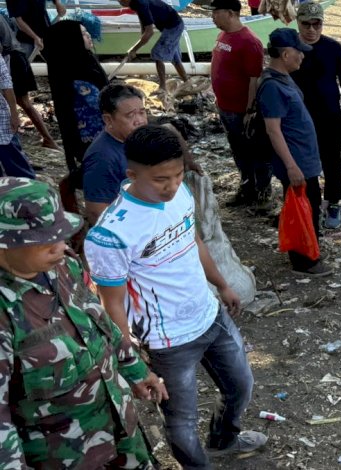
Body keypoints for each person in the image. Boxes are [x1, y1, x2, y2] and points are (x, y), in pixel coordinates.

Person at [84, 125, 267, 468]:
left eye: (178, 174)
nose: (171, 186)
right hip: (167, 340)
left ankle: (224, 439)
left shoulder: (180, 193)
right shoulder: (111, 235)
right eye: (160, 179)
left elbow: (193, 241)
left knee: (241, 385)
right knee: (182, 421)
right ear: (132, 175)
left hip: (209, 314)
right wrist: (131, 361)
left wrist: (222, 284)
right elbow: (112, 304)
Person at [0, 177, 167, 468]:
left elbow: (98, 321)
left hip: (120, 432)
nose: (60, 246)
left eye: (60, 234)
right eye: (44, 240)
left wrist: (134, 369)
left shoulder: (64, 265)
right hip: (63, 457)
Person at [258, 28, 332, 276]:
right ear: (285, 54)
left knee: (309, 206)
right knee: (302, 210)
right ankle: (304, 261)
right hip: (296, 162)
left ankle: (310, 251)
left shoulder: (283, 77)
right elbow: (273, 129)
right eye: (299, 52)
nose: (302, 56)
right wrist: (291, 166)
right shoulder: (271, 86)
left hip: (304, 159)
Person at [291, 1, 341, 229]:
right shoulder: (290, 48)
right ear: (298, 23)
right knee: (303, 164)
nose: (312, 30)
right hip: (299, 120)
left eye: (317, 24)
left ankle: (333, 203)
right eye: (306, 24)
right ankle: (308, 207)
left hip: (330, 117)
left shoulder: (333, 48)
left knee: (332, 162)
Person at [211, 0, 269, 207]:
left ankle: (261, 192)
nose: (212, 17)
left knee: (253, 152)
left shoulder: (249, 41)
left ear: (230, 13)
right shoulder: (222, 35)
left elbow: (254, 78)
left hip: (240, 110)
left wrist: (250, 110)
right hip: (225, 106)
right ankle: (246, 187)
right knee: (238, 151)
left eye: (216, 12)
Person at [45, 19, 107, 174]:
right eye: (84, 34)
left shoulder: (87, 61)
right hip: (91, 140)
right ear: (71, 40)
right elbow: (100, 102)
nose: (89, 36)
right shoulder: (71, 75)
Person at [82, 84, 149, 224]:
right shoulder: (102, 158)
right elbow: (97, 213)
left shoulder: (137, 137)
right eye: (130, 115)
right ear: (108, 120)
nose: (140, 121)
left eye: (142, 112)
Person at [7, 0, 63, 150]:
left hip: (15, 57)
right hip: (20, 48)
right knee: (21, 102)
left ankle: (47, 139)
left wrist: (58, 3)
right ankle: (46, 139)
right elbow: (19, 20)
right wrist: (35, 37)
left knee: (21, 101)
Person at [119, 0, 188, 91]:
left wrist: (134, 50)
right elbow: (144, 22)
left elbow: (150, 32)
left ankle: (162, 88)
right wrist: (141, 40)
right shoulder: (135, 4)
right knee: (175, 58)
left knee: (157, 53)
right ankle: (187, 82)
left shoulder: (141, 4)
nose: (119, 2)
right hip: (172, 26)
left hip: (173, 26)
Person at [0, 43, 34, 178]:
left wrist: (14, 114)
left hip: (2, 120)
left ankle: (28, 184)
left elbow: (7, 86)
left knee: (14, 159)